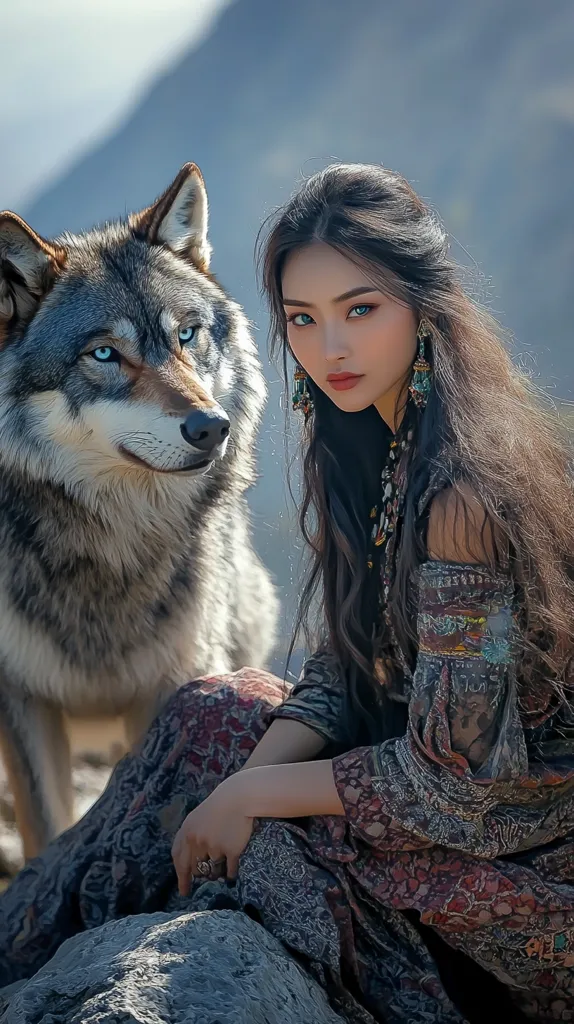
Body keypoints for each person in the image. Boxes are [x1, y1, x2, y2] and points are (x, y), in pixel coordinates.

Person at [1, 163, 573, 1024]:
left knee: (236, 817)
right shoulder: (373, 448)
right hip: (428, 811)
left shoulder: (462, 498)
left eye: (361, 310)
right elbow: (351, 672)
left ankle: (34, 943)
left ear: (425, 303)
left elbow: (459, 789)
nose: (329, 350)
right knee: (209, 717)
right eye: (302, 319)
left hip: (510, 882)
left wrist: (248, 795)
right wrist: (241, 778)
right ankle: (38, 933)